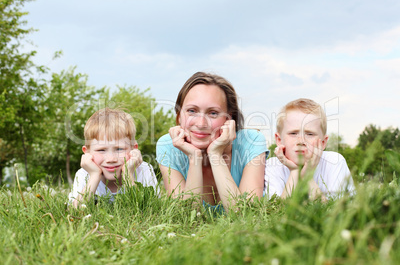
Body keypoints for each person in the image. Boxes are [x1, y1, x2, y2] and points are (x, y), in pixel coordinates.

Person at [156, 72, 267, 211]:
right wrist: (194, 157)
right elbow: (184, 217)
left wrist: (215, 154)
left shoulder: (252, 141)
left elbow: (247, 214)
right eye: (192, 111)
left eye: (213, 113)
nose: (201, 123)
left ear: (228, 119)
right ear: (179, 116)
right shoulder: (168, 146)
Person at [264, 98, 355, 200]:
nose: (301, 140)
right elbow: (278, 210)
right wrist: (294, 171)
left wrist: (307, 175)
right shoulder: (272, 166)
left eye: (310, 134)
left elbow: (332, 211)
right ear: (279, 140)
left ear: (323, 142)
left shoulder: (334, 162)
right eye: (293, 133)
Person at [68, 108, 158, 208]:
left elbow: (149, 210)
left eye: (119, 149)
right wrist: (94, 176)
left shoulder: (144, 170)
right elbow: (75, 210)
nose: (111, 159)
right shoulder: (84, 174)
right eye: (101, 150)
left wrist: (128, 174)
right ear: (87, 152)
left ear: (134, 149)